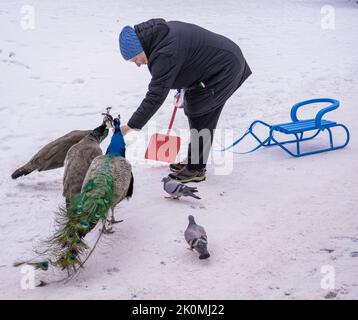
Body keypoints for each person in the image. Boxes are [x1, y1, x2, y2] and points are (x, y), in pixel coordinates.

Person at [119, 18, 251, 183]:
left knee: (201, 112)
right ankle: (193, 161)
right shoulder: (159, 36)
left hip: (225, 68)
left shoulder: (164, 54)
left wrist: (133, 125)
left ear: (140, 48)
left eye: (135, 59)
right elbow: (187, 58)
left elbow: (155, 95)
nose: (137, 65)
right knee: (195, 107)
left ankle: (196, 169)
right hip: (220, 62)